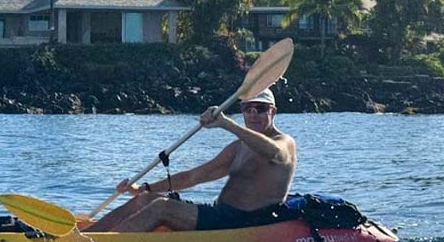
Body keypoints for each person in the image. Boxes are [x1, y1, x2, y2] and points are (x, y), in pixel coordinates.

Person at [83, 89, 296, 232]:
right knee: (146, 200)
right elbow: (194, 176)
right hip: (221, 214)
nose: (253, 114)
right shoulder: (238, 147)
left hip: (248, 221)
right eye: (247, 109)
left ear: (273, 112)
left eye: (260, 109)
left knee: (161, 208)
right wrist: (144, 188)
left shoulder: (284, 142)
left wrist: (227, 124)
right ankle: (86, 236)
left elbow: (274, 153)